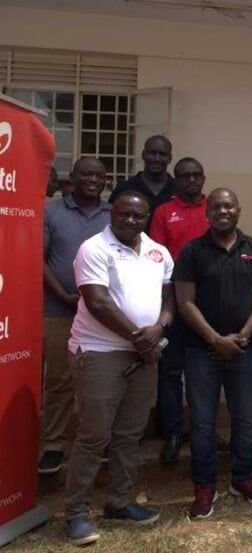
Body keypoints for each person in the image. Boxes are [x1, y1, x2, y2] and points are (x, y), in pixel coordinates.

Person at [63, 192, 174, 546]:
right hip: (100, 352)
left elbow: (169, 299)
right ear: (112, 213)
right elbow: (97, 301)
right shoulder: (94, 248)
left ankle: (119, 502)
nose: (130, 220)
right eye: (124, 213)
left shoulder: (159, 252)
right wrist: (141, 341)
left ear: (147, 217)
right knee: (94, 435)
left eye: (138, 215)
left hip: (143, 356)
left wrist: (161, 327)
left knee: (129, 434)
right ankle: (76, 513)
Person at [174, 188, 252, 519]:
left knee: (245, 418)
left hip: (244, 350)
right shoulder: (191, 251)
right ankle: (204, 485)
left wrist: (241, 337)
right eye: (216, 207)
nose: (223, 211)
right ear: (207, 213)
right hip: (201, 351)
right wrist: (215, 340)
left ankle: (243, 477)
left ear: (238, 210)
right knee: (203, 422)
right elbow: (185, 302)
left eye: (229, 206)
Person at [38, 157, 112, 475]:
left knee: (100, 380)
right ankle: (52, 444)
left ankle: (97, 439)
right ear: (73, 177)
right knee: (59, 379)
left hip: (103, 315)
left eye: (99, 175)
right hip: (60, 310)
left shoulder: (114, 214)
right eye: (87, 174)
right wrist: (63, 296)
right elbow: (39, 258)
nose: (93, 180)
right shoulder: (51, 212)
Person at [149, 157, 210, 463]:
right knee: (171, 371)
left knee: (205, 372)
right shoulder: (164, 212)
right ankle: (172, 432)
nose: (191, 180)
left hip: (209, 303)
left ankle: (205, 430)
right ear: (176, 179)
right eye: (185, 175)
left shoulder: (214, 207)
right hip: (173, 301)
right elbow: (156, 256)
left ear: (203, 177)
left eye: (196, 174)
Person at [109, 135, 178, 228]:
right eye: (152, 153)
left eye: (162, 154)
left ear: (170, 158)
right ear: (143, 155)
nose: (157, 159)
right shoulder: (124, 188)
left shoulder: (179, 190)